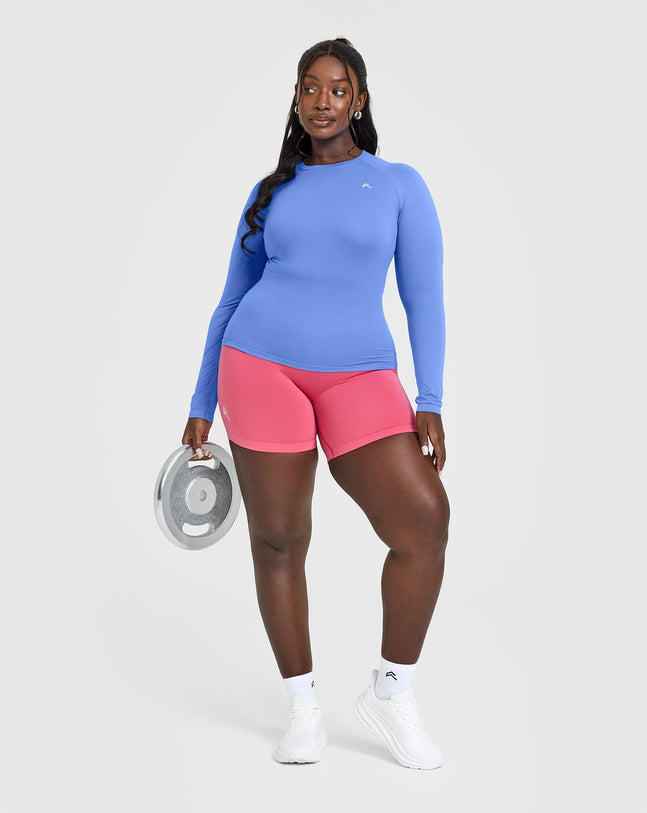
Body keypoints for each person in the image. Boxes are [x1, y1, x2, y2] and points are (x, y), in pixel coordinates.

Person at [181, 37, 450, 770]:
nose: (321, 101)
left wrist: (429, 397)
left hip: (361, 376)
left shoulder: (397, 184)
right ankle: (302, 707)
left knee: (424, 521)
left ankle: (392, 692)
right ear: (296, 98)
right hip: (257, 366)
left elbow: (424, 297)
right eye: (309, 87)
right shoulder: (271, 190)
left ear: (359, 99)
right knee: (279, 540)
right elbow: (230, 300)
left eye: (337, 88)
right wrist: (202, 399)